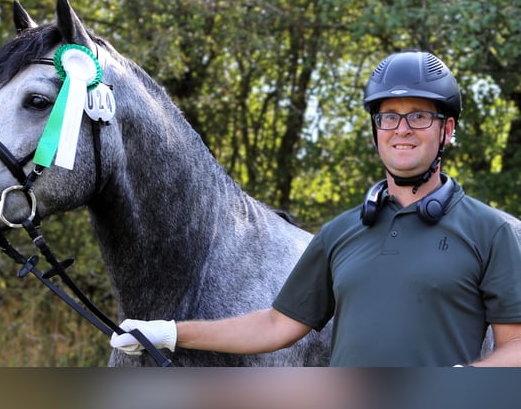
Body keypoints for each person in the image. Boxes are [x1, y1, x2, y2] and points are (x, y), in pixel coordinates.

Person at [111, 51, 521, 366]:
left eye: (419, 116)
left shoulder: (489, 232)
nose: (402, 130)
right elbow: (276, 325)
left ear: (446, 130)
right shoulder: (341, 233)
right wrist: (168, 332)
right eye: (389, 118)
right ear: (375, 130)